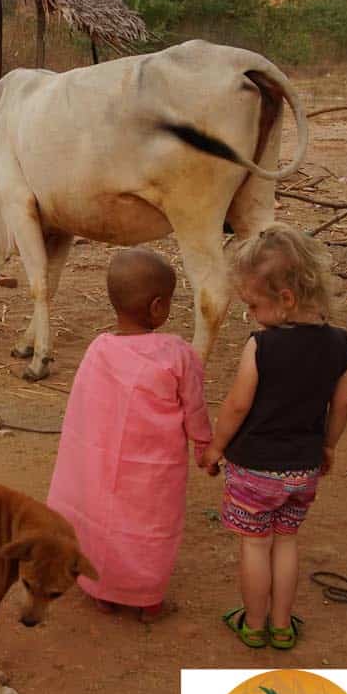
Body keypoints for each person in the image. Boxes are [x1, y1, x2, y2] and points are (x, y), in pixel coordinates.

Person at [203, 225, 347, 650]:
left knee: (256, 545)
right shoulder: (342, 344)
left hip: (255, 470)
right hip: (303, 470)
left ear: (286, 299)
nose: (251, 315)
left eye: (254, 305)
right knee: (286, 542)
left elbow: (236, 406)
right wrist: (328, 446)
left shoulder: (261, 347)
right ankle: (283, 624)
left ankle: (253, 623)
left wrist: (216, 447)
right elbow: (341, 405)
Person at [47, 248, 212, 622]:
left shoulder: (98, 350)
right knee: (150, 529)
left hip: (101, 467)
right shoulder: (178, 354)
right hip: (154, 473)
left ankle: (102, 590)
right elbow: (196, 409)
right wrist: (204, 445)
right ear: (158, 307)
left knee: (102, 522)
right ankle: (147, 598)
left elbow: (83, 409)